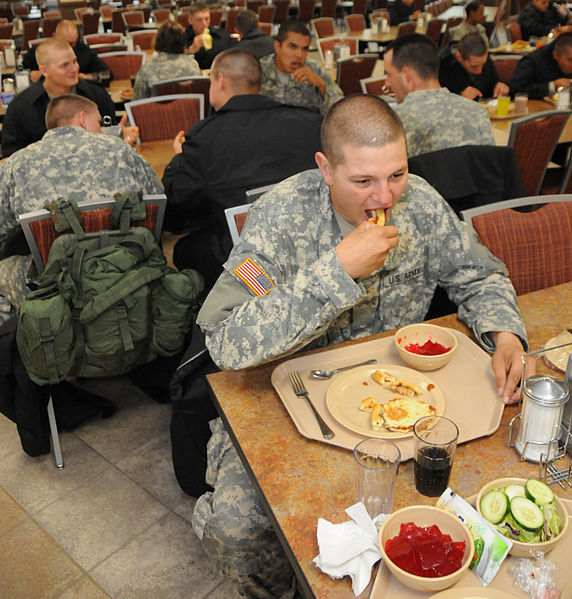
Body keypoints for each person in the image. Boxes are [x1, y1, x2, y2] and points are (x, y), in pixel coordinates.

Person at [192, 94, 532, 599]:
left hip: (402, 399)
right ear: (325, 169)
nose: (385, 198)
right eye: (364, 181)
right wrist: (337, 271)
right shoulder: (279, 218)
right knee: (240, 534)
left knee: (488, 481)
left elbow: (479, 274)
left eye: (396, 175)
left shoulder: (420, 200)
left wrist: (506, 334)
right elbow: (225, 340)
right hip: (290, 401)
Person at [162, 47, 323, 290]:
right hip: (311, 245)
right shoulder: (310, 122)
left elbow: (176, 203)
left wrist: (179, 161)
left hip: (244, 262)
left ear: (220, 80)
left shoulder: (207, 137)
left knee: (183, 249)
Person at [0, 94, 163, 322]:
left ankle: (23, 342)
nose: (101, 130)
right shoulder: (121, 150)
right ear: (82, 119)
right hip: (124, 271)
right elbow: (157, 204)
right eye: (99, 123)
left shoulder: (15, 164)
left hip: (55, 284)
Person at [2, 39, 138, 158]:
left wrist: (119, 136)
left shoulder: (97, 95)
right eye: (64, 65)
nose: (74, 69)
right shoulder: (21, 107)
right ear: (44, 71)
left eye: (74, 61)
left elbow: (109, 139)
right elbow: (11, 156)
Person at [384, 33, 494, 156]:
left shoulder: (399, 121)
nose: (387, 83)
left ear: (407, 75)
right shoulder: (478, 112)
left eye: (389, 74)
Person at [259, 20, 343, 115]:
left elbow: (340, 111)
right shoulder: (258, 71)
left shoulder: (314, 69)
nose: (299, 55)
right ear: (278, 47)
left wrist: (321, 86)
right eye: (293, 47)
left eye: (305, 49)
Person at [22, 19, 111, 83]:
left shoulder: (84, 51)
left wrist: (87, 77)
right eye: (65, 43)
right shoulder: (38, 51)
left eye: (72, 43)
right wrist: (30, 74)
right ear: (54, 36)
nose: (68, 48)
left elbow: (107, 74)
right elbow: (18, 73)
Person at [133, 21, 201, 99]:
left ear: (158, 41)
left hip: (157, 111)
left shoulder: (147, 69)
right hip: (189, 110)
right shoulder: (192, 64)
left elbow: (137, 104)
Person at [439, 32, 509, 99]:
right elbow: (437, 99)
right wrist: (459, 96)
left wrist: (500, 87)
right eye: (474, 66)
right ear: (459, 57)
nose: (479, 71)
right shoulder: (441, 64)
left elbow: (492, 86)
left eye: (483, 65)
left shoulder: (484, 58)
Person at [510, 30, 572, 98]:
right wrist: (552, 86)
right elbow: (515, 89)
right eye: (570, 60)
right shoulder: (532, 62)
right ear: (556, 55)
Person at [185, 2, 235, 69]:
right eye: (199, 20)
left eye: (207, 19)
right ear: (190, 20)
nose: (204, 23)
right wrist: (190, 52)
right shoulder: (182, 38)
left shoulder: (221, 35)